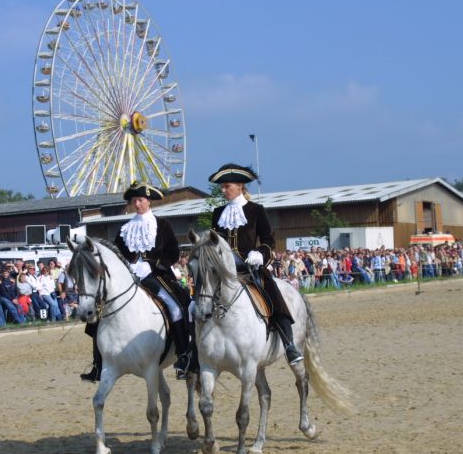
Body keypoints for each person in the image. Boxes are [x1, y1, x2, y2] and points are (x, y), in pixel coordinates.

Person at [80, 182, 192, 382]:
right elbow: (116, 255)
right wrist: (127, 269)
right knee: (100, 313)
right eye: (134, 201)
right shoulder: (125, 228)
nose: (137, 204)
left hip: (156, 276)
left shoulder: (162, 225)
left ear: (149, 201)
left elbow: (173, 253)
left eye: (141, 200)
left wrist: (153, 265)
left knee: (175, 308)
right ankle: (97, 364)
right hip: (130, 278)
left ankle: (184, 355)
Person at [209, 163, 303, 364]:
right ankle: (193, 352)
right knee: (201, 300)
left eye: (227, 186)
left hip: (250, 267)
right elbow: (214, 242)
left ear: (240, 186)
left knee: (274, 295)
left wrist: (260, 253)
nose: (223, 190)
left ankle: (289, 344)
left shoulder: (256, 210)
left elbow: (269, 239)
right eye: (222, 187)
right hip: (224, 271)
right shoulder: (218, 213)